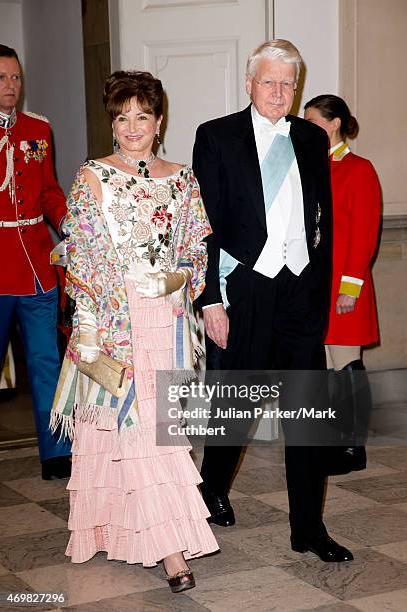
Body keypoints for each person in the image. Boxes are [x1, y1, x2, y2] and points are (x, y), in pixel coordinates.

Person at [50, 70, 218, 593]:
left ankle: (124, 533)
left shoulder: (183, 179)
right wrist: (88, 328)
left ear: (158, 119)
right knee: (136, 433)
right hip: (115, 323)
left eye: (141, 116)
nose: (131, 127)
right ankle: (172, 554)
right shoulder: (92, 176)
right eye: (121, 117)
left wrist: (177, 279)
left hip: (167, 322)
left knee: (159, 435)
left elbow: (196, 252)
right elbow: (82, 257)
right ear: (112, 121)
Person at [193, 39, 353, 562]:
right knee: (234, 404)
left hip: (299, 292)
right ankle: (212, 487)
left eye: (288, 84)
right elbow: (205, 227)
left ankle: (308, 527)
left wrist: (320, 287)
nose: (279, 93)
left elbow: (321, 218)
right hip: (247, 290)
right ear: (249, 83)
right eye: (269, 82)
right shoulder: (216, 137)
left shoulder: (309, 137)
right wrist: (210, 299)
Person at [0, 44, 71, 478]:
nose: (11, 86)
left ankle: (56, 450)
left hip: (36, 263)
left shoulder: (37, 129)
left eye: (15, 78)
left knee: (47, 360)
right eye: (3, 78)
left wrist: (68, 223)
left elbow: (47, 190)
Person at [304, 94, 380, 471]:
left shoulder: (359, 169)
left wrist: (349, 288)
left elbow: (365, 235)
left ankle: (354, 447)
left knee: (347, 363)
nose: (308, 127)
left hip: (345, 287)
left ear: (334, 124)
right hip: (316, 286)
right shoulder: (312, 168)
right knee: (328, 368)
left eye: (314, 120)